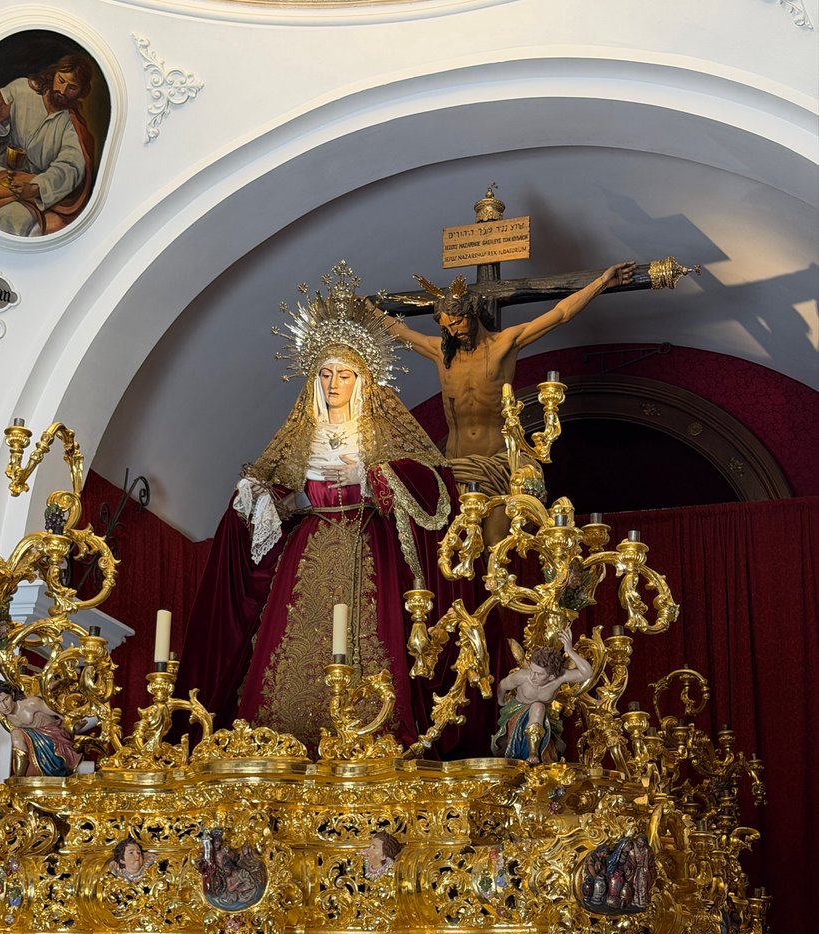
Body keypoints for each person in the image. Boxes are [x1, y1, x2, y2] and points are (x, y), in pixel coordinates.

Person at [175, 263, 480, 753]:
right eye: (325, 373)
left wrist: (372, 475)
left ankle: (372, 741)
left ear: (363, 380)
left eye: (344, 374)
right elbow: (270, 500)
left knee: (375, 642)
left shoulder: (381, 435)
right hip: (308, 551)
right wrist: (264, 499)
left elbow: (436, 490)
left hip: (368, 547)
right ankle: (281, 747)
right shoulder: (301, 437)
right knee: (285, 653)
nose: (334, 382)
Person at [375, 263, 635, 502]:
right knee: (454, 547)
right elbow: (398, 331)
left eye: (458, 322)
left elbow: (561, 313)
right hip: (456, 464)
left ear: (473, 313)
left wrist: (601, 282)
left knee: (494, 542)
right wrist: (362, 308)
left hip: (498, 462)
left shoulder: (504, 344)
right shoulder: (440, 352)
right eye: (447, 328)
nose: (454, 331)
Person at [0, 52, 96, 236]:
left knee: (12, 218)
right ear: (54, 74)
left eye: (72, 87)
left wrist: (38, 187)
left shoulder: (71, 124)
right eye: (61, 80)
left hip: (30, 190)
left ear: (81, 92)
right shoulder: (22, 90)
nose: (62, 91)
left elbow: (71, 167)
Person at [492, 629, 592, 763]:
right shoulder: (522, 676)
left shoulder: (559, 678)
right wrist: (501, 701)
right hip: (517, 711)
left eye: (539, 674)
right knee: (537, 706)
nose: (532, 676)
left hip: (544, 718)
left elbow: (587, 673)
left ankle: (535, 752)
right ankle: (533, 754)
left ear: (552, 676)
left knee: (538, 707)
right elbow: (502, 686)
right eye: (532, 670)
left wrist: (570, 650)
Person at [0, 671, 81, 777]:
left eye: (5, 699)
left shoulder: (31, 703)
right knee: (16, 733)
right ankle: (19, 776)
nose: (4, 706)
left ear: (12, 694)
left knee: (16, 733)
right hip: (31, 742)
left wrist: (72, 728)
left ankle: (22, 776)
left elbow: (61, 714)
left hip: (53, 737)